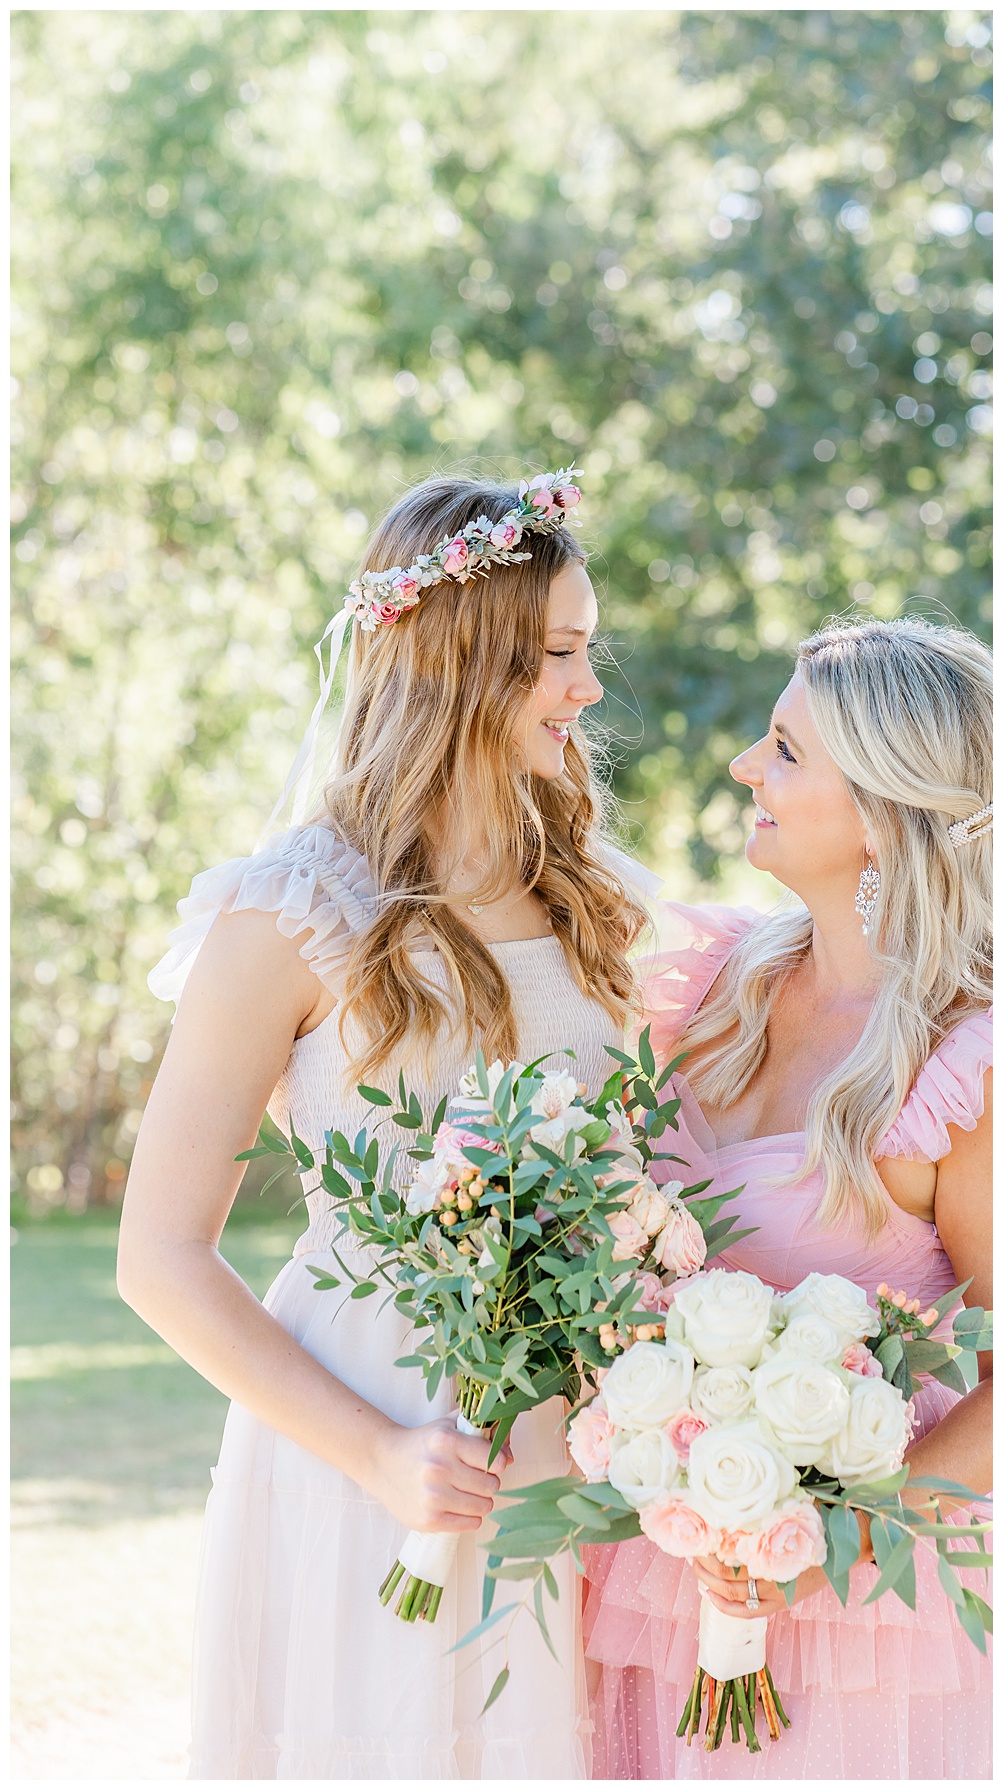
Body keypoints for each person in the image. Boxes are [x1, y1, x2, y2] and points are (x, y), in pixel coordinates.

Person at [117, 470, 654, 1779]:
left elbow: (643, 1175)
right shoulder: (292, 909)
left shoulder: (596, 902)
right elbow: (158, 1257)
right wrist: (377, 1452)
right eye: (559, 654)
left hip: (572, 1432)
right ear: (460, 659)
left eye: (588, 651)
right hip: (368, 1431)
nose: (587, 689)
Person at [582, 615, 993, 1780]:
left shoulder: (985, 1071)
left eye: (785, 748)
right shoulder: (712, 984)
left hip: (855, 1606)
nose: (744, 766)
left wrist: (824, 1539)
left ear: (881, 811)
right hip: (652, 1563)